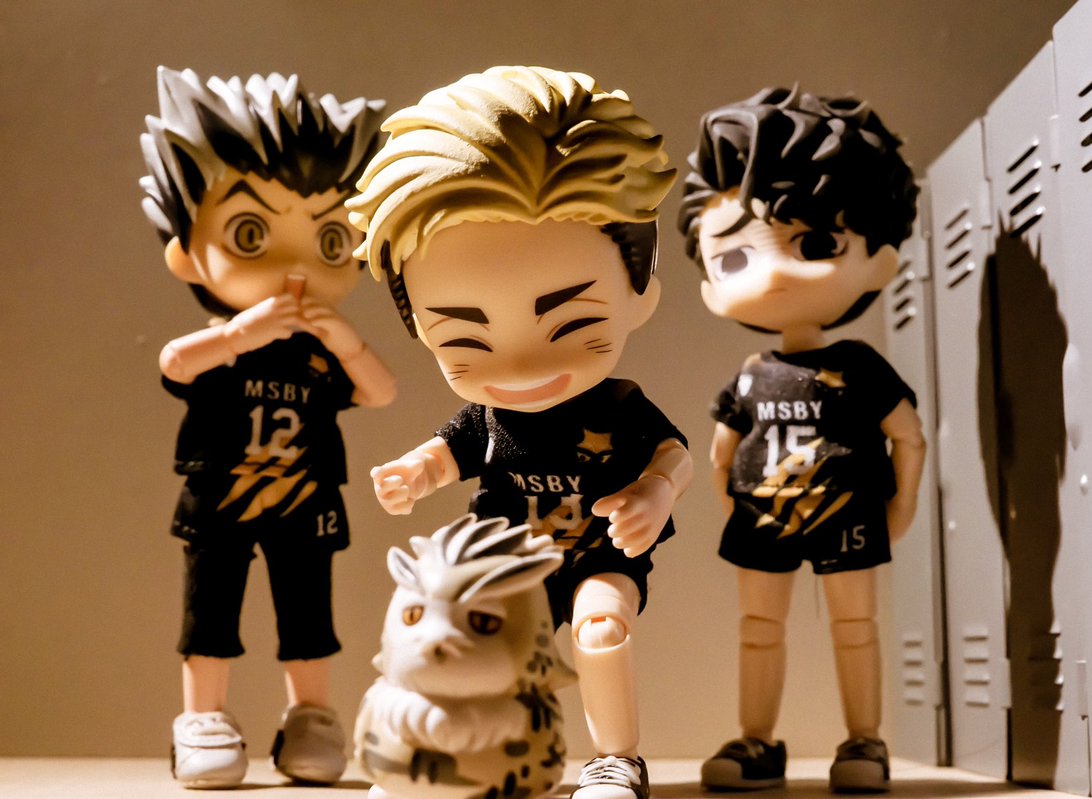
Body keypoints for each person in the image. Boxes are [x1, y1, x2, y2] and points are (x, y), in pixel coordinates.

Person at [348, 65, 692, 799]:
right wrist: (414, 473)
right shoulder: (486, 419)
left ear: (640, 292)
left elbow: (673, 453)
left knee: (600, 628)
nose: (522, 367)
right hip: (499, 566)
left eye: (571, 324)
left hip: (598, 550)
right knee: (455, 639)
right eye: (465, 342)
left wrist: (656, 493)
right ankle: (452, 761)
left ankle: (616, 758)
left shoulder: (621, 407)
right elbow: (447, 452)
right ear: (420, 329)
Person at [140, 67, 396, 788]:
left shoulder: (321, 349)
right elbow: (174, 362)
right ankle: (202, 718)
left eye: (331, 239)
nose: (295, 265)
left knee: (307, 618)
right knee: (210, 616)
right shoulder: (223, 346)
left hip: (305, 504)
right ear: (186, 252)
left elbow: (380, 391)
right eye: (251, 233)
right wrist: (239, 333)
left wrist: (344, 338)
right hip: (218, 501)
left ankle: (311, 716)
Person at [678, 86, 925, 793]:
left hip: (848, 514)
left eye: (815, 244)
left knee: (856, 626)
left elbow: (908, 437)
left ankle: (865, 740)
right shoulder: (751, 374)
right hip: (763, 519)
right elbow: (721, 452)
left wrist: (901, 506)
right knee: (758, 627)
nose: (775, 271)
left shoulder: (861, 368)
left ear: (880, 259)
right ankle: (757, 742)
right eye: (734, 257)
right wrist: (730, 506)